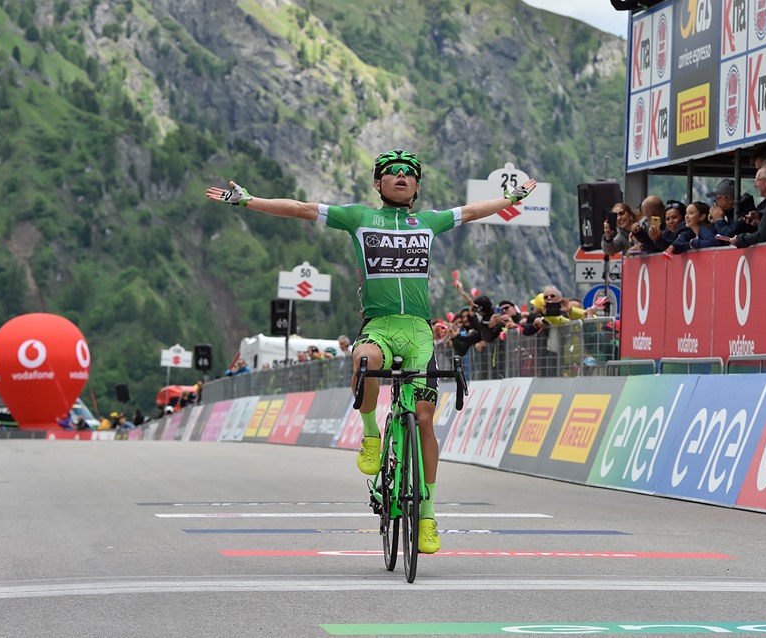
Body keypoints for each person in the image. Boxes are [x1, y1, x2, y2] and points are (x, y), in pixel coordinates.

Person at [205, 148, 535, 554]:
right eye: (391, 172)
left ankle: (427, 515)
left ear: (416, 186)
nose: (401, 176)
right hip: (378, 326)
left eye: (409, 173)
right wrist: (248, 201)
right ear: (378, 183)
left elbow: (471, 211)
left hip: (418, 333)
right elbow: (300, 208)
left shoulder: (427, 222)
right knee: (365, 361)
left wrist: (511, 198)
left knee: (425, 420)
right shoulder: (359, 218)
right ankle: (371, 435)